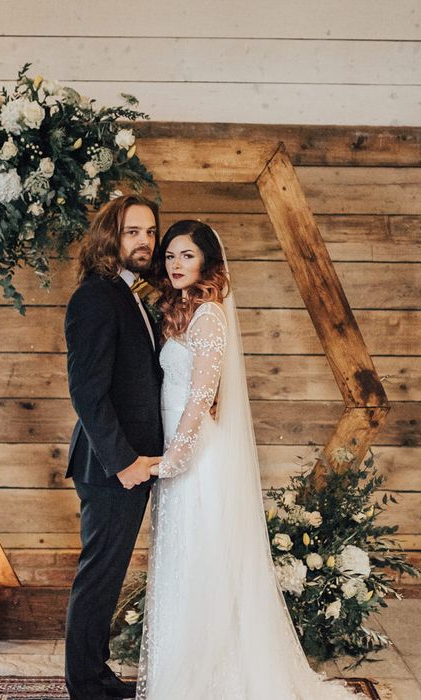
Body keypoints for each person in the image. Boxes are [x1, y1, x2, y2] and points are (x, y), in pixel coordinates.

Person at [138, 220, 362, 699]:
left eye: (187, 256)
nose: (176, 265)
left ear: (206, 263)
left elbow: (200, 398)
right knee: (184, 563)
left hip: (197, 459)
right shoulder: (184, 310)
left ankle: (212, 679)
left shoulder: (211, 316)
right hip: (181, 453)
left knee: (202, 562)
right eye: (171, 256)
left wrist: (172, 460)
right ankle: (181, 670)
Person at [64, 194, 164, 700]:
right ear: (110, 238)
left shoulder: (131, 294)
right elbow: (86, 390)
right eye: (132, 232)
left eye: (149, 231)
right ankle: (85, 686)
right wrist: (124, 462)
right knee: (99, 576)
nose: (144, 240)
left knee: (107, 576)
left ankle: (97, 676)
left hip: (132, 463)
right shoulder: (96, 297)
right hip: (110, 465)